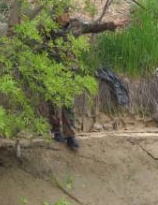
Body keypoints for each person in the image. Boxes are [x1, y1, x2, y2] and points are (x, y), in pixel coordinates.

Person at [45, 12, 121, 151]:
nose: (66, 15)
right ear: (56, 15)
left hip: (69, 70)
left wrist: (111, 24)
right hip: (52, 70)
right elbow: (37, 43)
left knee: (68, 102)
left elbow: (93, 27)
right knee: (53, 101)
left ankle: (70, 136)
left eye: (67, 12)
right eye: (63, 13)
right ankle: (56, 131)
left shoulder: (75, 25)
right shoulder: (48, 27)